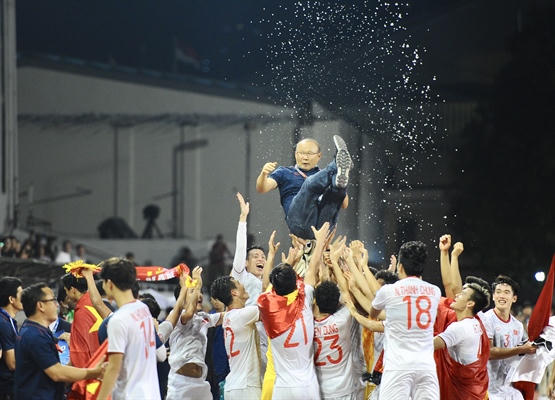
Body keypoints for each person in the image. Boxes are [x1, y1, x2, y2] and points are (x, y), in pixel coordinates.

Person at [258, 223, 330, 400]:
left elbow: (267, 286)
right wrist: (320, 242)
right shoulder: (305, 298)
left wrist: (287, 260)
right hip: (308, 387)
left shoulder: (267, 307)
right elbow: (312, 270)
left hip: (282, 387)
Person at [370, 240, 441, 400]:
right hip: (426, 367)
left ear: (400, 266)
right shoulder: (435, 291)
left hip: (397, 366)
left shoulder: (388, 290)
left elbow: (373, 313)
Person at [14, 283, 104, 400]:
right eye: (52, 300)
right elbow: (57, 373)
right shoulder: (34, 336)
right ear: (41, 305)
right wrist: (94, 372)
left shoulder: (37, 330)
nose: (57, 304)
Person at [255, 135, 352, 240]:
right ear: (296, 154)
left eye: (309, 154)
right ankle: (335, 165)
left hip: (323, 228)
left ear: (319, 156)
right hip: (300, 224)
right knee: (309, 184)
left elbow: (344, 205)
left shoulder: (324, 176)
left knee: (334, 194)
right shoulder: (284, 172)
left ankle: (338, 170)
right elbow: (262, 188)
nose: (305, 157)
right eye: (301, 153)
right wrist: (263, 174)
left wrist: (339, 190)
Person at [96, 257, 160, 400]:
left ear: (109, 284)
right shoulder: (143, 309)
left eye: (103, 282)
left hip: (130, 395)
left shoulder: (118, 320)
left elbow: (114, 368)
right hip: (151, 393)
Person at [433, 276, 492, 399]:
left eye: (462, 294)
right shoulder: (476, 322)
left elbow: (428, 345)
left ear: (470, 303)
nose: (457, 295)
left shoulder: (460, 328)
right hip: (477, 390)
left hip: (464, 394)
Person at [480, 275, 537, 400]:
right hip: (487, 390)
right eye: (498, 292)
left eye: (506, 292)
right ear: (493, 296)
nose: (501, 296)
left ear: (514, 298)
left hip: (509, 389)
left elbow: (527, 351)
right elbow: (489, 352)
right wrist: (522, 349)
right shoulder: (486, 319)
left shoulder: (518, 326)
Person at [211, 275, 261, 400]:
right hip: (247, 387)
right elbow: (273, 307)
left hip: (232, 386)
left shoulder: (227, 317)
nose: (243, 284)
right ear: (234, 292)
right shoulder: (244, 315)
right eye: (239, 283)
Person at [313, 280, 362, 400]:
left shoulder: (307, 325)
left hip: (319, 390)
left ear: (316, 302)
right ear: (337, 302)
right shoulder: (342, 320)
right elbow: (348, 295)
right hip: (344, 390)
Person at [0, 277, 23, 399]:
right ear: (11, 299)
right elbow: (12, 363)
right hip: (6, 389)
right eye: (21, 294)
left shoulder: (7, 320)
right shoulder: (3, 323)